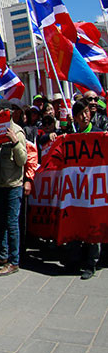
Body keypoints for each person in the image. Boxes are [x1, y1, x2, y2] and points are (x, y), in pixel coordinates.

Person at [0, 101, 27, 277]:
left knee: (12, 224)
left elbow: (22, 160)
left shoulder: (17, 131)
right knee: (1, 222)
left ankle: (14, 260)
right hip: (0, 183)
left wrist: (15, 143)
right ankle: (3, 255)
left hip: (13, 185)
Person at [69, 99, 101, 279]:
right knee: (76, 224)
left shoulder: (99, 134)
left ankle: (91, 263)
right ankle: (75, 260)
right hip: (76, 188)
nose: (85, 116)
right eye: (81, 113)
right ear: (75, 118)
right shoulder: (71, 136)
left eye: (87, 112)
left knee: (93, 226)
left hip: (94, 188)